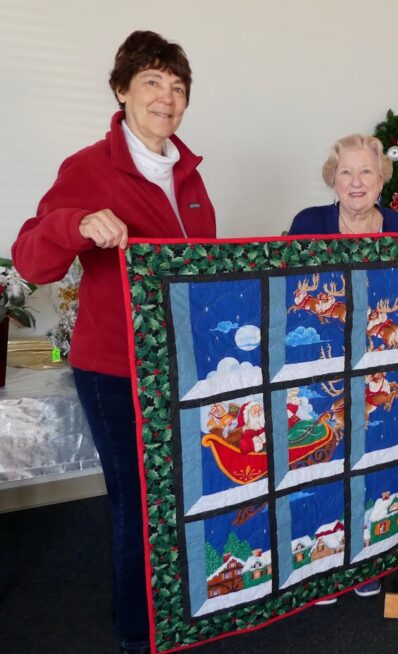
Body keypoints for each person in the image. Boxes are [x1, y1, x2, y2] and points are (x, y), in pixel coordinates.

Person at [11, 31, 216, 654]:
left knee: (183, 490)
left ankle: (181, 610)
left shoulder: (189, 174)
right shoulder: (89, 167)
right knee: (140, 499)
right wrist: (76, 225)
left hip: (181, 365)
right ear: (122, 90)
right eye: (152, 82)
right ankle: (139, 632)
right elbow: (30, 259)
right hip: (115, 368)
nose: (167, 97)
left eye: (177, 87)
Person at [288, 134, 398, 602]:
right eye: (346, 172)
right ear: (333, 179)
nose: (356, 182)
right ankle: (321, 567)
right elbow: (285, 291)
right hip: (322, 365)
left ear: (382, 180)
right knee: (322, 466)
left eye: (366, 171)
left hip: (379, 366)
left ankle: (367, 561)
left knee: (376, 459)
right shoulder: (308, 223)